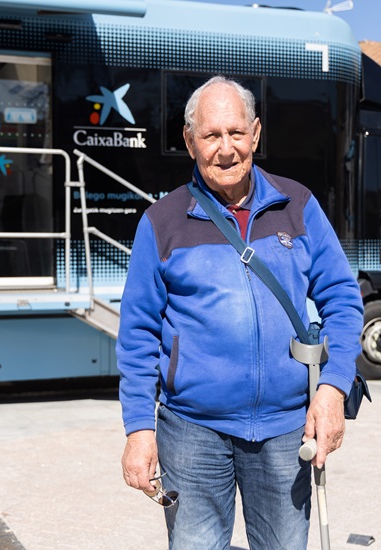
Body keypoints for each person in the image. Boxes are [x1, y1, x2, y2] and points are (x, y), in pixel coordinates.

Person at [117, 75, 364, 549]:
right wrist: (139, 430)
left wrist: (333, 390)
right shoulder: (161, 223)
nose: (225, 149)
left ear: (255, 133)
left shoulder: (299, 206)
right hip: (191, 432)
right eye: (211, 136)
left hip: (285, 428)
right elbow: (137, 337)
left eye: (235, 133)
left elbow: (343, 300)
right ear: (190, 142)